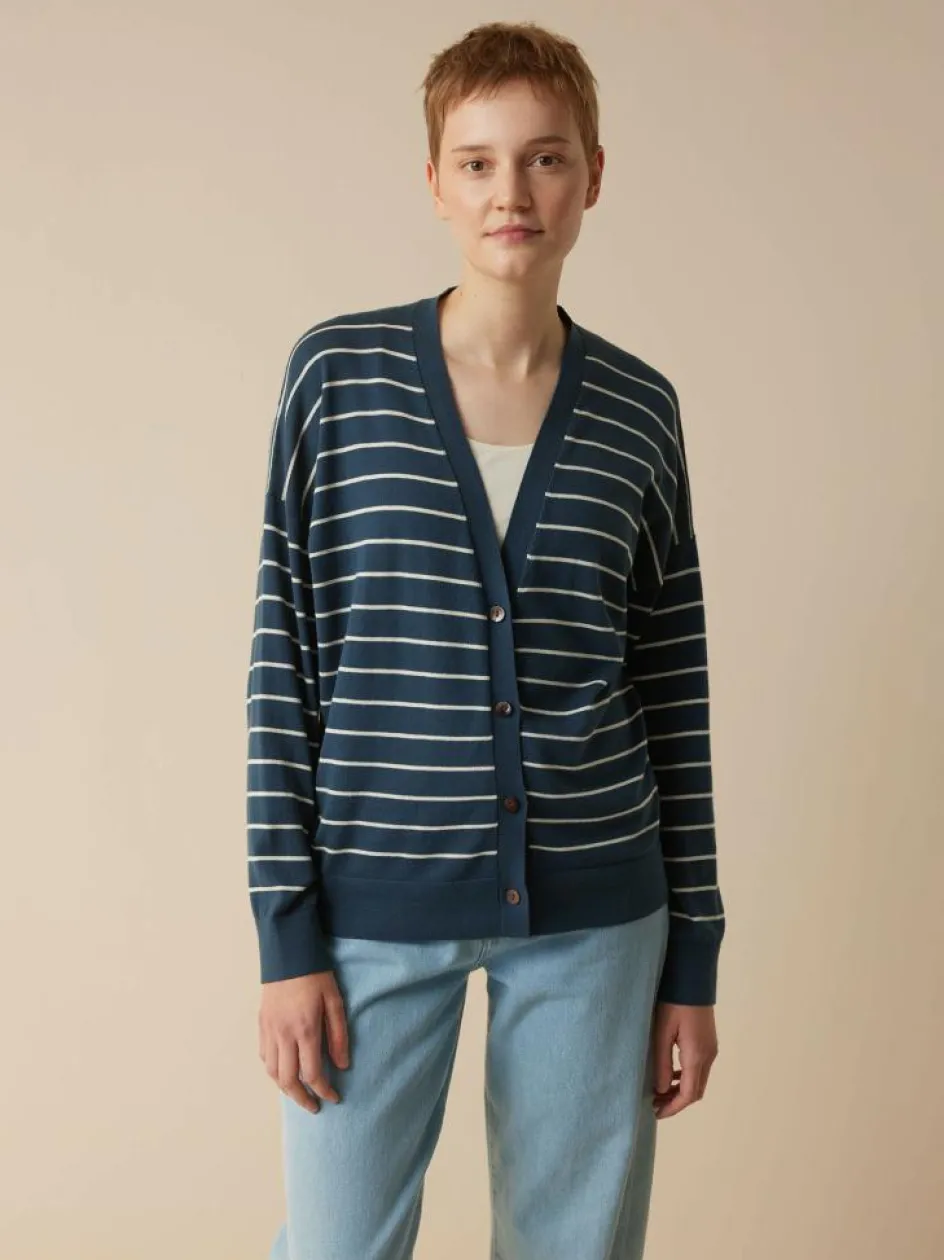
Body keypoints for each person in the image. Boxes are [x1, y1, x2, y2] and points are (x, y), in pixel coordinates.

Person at [246, 19, 725, 1260]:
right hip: (371, 899)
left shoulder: (638, 409)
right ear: (435, 182)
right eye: (477, 161)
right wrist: (285, 940)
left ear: (592, 175)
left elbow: (672, 690)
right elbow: (283, 667)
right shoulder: (338, 377)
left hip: (599, 910)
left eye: (544, 158)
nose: (511, 191)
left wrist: (693, 959)